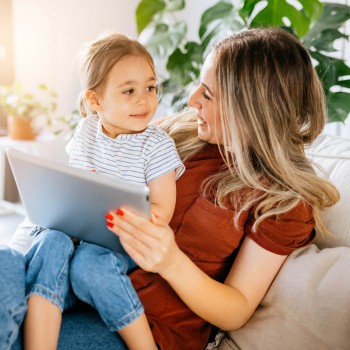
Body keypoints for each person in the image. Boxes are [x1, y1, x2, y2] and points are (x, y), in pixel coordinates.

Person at [6, 27, 339, 349]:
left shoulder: (283, 202)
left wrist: (170, 261)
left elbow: (237, 308)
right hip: (74, 279)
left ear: (253, 110)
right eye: (199, 86)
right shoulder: (171, 135)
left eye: (208, 94)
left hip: (141, 326)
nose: (192, 100)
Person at [18, 32, 185, 350]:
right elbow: (74, 187)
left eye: (150, 87)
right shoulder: (86, 131)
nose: (144, 99)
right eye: (129, 91)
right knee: (50, 241)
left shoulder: (156, 145)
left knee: (90, 263)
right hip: (77, 235)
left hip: (118, 244)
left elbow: (162, 210)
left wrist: (129, 217)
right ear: (95, 100)